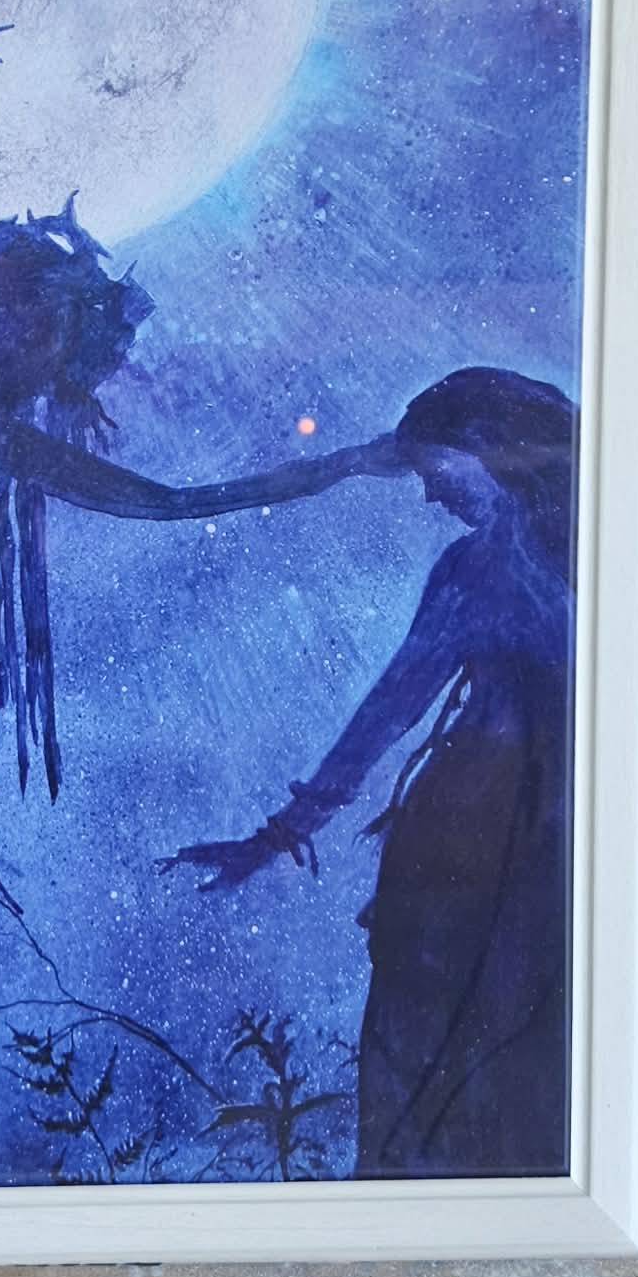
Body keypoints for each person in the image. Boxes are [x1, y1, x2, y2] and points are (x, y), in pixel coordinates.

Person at [0, 25, 401, 1190]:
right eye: (14, 315)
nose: (13, 344)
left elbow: (167, 499)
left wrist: (337, 465)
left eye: (33, 336)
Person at [162, 366, 577, 1178]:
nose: (429, 494)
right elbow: (388, 711)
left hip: (486, 835)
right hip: (497, 836)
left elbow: (387, 712)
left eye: (436, 471)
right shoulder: (586, 557)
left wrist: (278, 834)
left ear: (489, 451)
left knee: (455, 1045)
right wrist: (280, 832)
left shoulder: (485, 568)